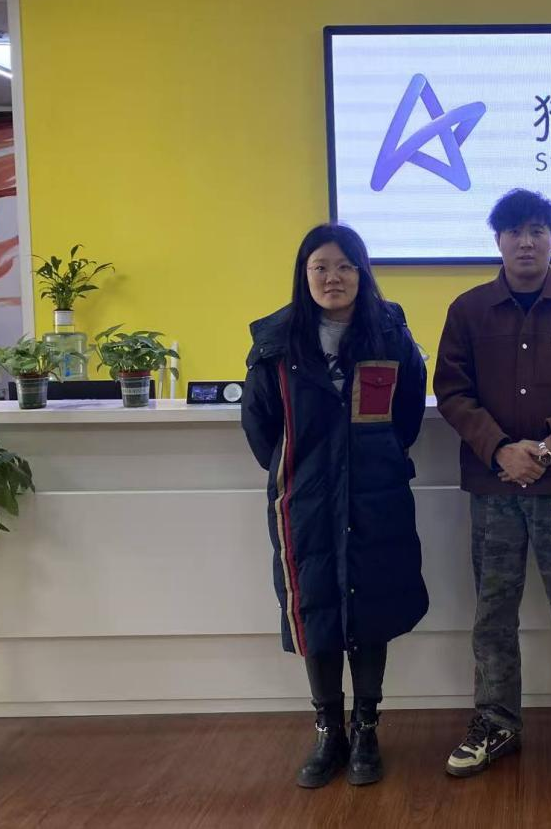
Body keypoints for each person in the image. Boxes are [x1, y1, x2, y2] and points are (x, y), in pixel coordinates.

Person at [434, 189, 551, 789]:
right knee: (492, 614)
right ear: (498, 240)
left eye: (538, 230)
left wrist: (547, 446)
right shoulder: (468, 310)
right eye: (514, 231)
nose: (526, 242)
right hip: (493, 490)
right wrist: (499, 449)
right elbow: (452, 392)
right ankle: (495, 723)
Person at [241, 223, 428, 789]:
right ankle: (329, 731)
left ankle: (366, 728)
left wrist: (372, 458)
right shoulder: (277, 342)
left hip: (376, 493)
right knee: (316, 608)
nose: (333, 277)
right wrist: (303, 472)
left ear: (362, 273)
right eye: (320, 266)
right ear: (304, 274)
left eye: (346, 266)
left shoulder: (389, 334)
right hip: (306, 500)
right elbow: (261, 426)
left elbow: (407, 415)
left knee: (371, 608)